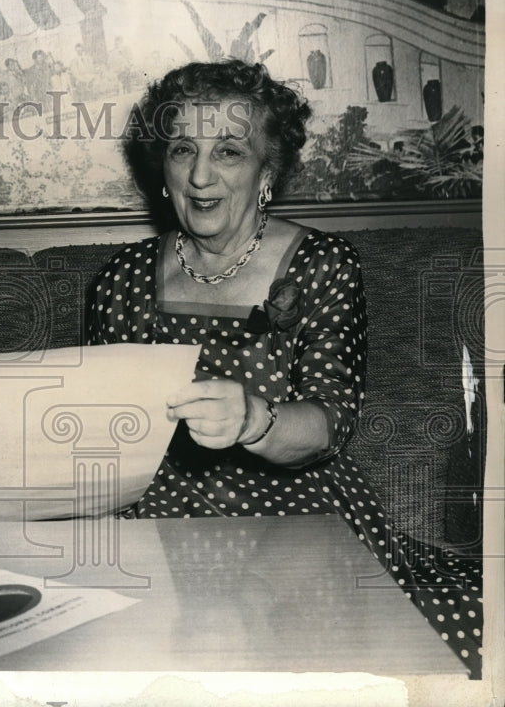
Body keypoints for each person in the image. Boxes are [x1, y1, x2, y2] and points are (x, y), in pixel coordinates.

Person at [88, 59, 482, 675]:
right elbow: (100, 440)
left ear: (267, 170)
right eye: (183, 149)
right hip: (156, 524)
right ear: (161, 168)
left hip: (295, 517)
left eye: (229, 153)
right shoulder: (120, 280)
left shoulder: (323, 264)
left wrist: (255, 419)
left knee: (461, 623)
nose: (199, 175)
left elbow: (333, 422)